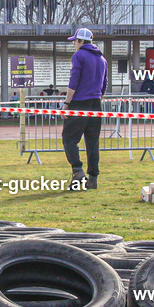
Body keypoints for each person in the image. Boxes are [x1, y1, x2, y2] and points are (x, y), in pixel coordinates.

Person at [61, 28, 107, 192]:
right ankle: (93, 178)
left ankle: (78, 170)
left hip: (80, 101)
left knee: (69, 138)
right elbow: (104, 84)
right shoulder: (102, 59)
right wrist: (97, 97)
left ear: (81, 41)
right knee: (92, 142)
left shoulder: (79, 55)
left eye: (75, 41)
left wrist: (67, 102)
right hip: (96, 103)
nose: (74, 43)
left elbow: (74, 80)